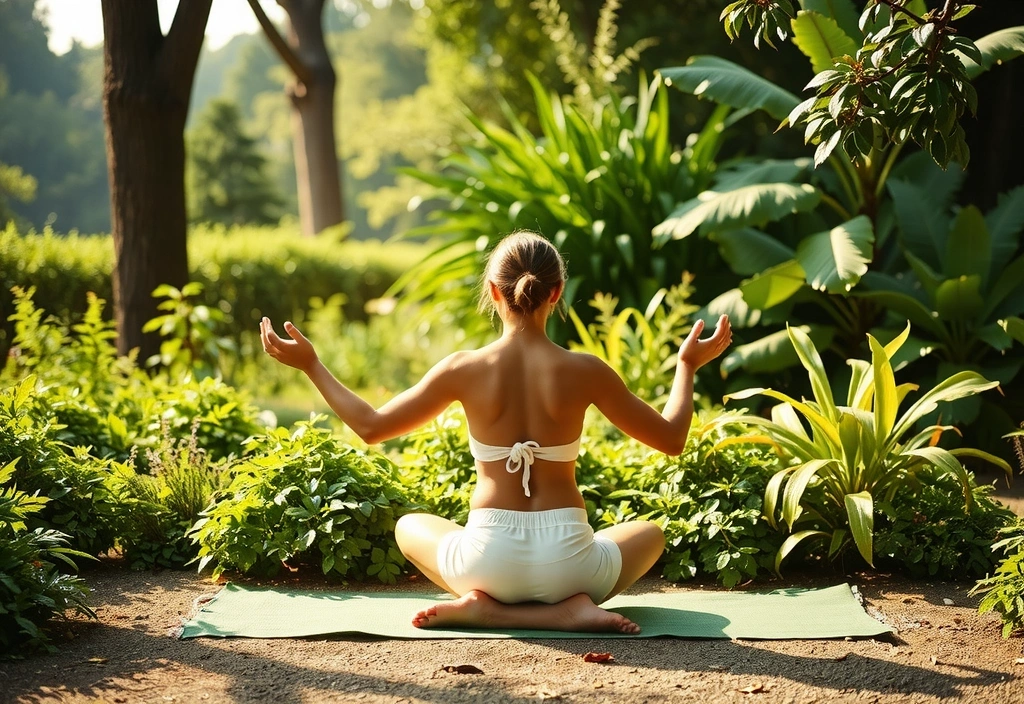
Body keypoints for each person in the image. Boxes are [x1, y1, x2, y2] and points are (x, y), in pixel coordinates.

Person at [259, 231, 732, 634]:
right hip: (572, 567)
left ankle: (486, 608)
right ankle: (567, 612)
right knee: (649, 533)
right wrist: (687, 365)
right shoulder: (587, 370)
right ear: (557, 291)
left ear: (493, 291)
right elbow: (672, 438)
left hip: (485, 563)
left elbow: (371, 427)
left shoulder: (463, 368)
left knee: (408, 526)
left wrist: (312, 365)